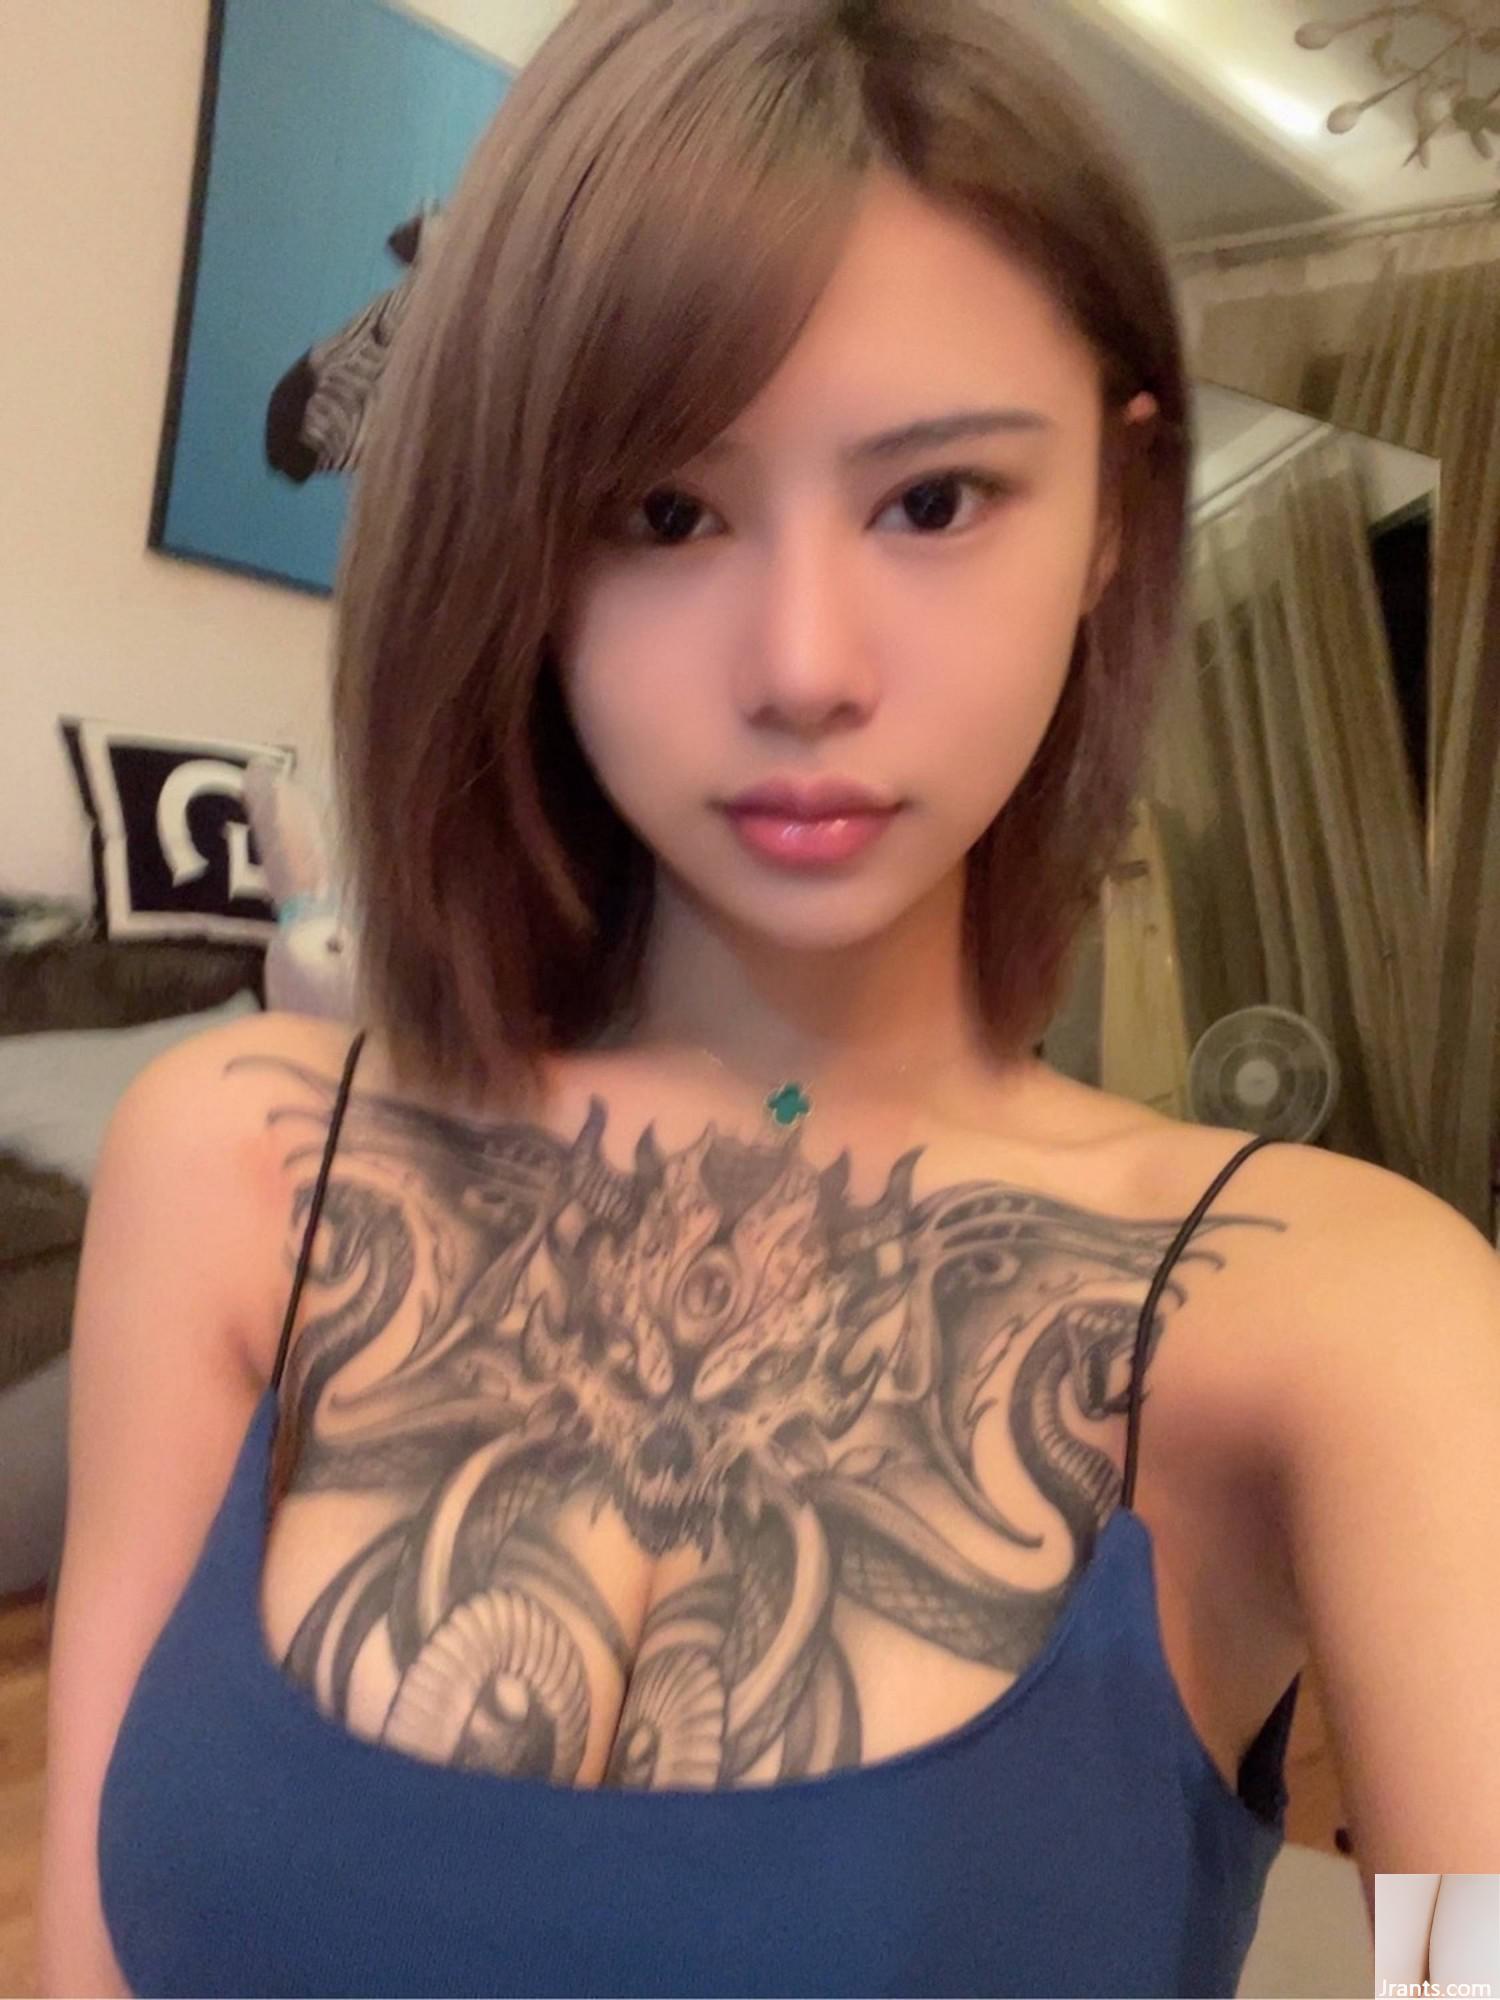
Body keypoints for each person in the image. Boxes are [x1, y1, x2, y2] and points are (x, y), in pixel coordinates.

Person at [36, 1, 1500, 1995]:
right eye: (665, 512)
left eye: (935, 500)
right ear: (517, 546)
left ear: (1113, 511)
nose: (804, 663)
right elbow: (86, 1952)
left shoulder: (1357, 1325)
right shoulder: (236, 1163)